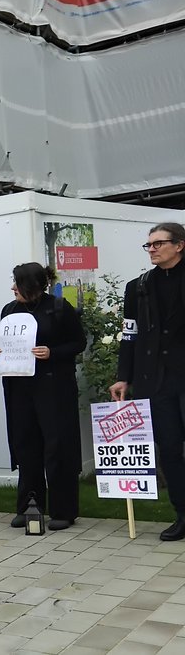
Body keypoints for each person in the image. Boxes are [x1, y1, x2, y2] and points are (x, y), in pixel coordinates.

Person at [0, 263, 86, 531]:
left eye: (18, 283)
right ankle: (29, 506)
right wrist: (1, 354)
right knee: (26, 445)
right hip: (20, 387)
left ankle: (63, 510)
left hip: (53, 388)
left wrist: (52, 352)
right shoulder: (9, 310)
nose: (13, 288)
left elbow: (78, 342)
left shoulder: (58, 308)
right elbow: (8, 342)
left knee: (57, 446)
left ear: (33, 285)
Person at [112, 223, 185, 541]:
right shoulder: (137, 287)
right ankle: (182, 513)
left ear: (179, 245)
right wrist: (123, 377)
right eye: (149, 245)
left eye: (159, 243)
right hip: (156, 381)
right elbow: (130, 335)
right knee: (169, 450)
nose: (152, 249)